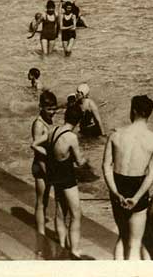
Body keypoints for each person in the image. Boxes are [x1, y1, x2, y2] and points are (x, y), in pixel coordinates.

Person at [102, 94, 153, 260]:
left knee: (122, 236)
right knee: (135, 242)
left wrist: (115, 193)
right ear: (149, 113)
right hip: (139, 186)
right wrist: (136, 197)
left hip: (118, 182)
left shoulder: (116, 135)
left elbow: (106, 166)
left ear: (133, 111)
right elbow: (152, 174)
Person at [47, 102, 90, 259]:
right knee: (76, 214)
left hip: (55, 176)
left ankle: (63, 244)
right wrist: (86, 160)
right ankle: (75, 249)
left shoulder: (54, 131)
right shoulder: (71, 137)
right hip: (67, 178)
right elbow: (79, 162)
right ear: (78, 121)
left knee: (59, 213)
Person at [30, 90, 59, 237]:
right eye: (49, 109)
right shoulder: (39, 125)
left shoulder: (48, 120)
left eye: (54, 109)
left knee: (46, 201)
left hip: (47, 164)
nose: (53, 112)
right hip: (41, 166)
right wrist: (47, 171)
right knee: (41, 201)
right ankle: (40, 233)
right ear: (41, 107)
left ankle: (41, 230)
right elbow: (37, 149)